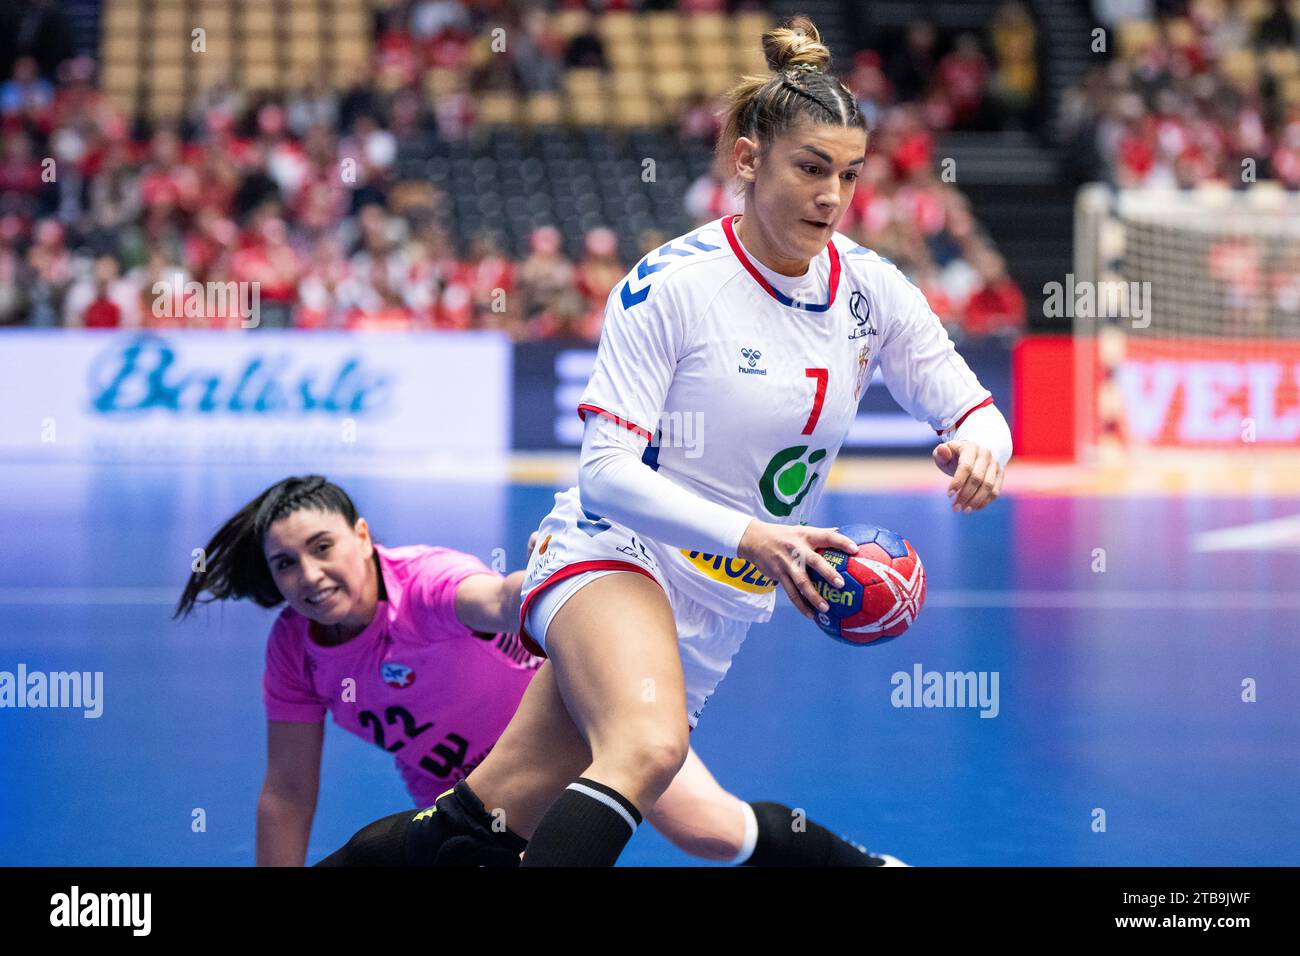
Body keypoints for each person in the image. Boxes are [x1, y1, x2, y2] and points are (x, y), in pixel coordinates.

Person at [324, 14, 1011, 867]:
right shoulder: (673, 286)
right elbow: (607, 475)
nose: (832, 197)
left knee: (488, 820)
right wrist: (753, 536)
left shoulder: (872, 292)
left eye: (848, 174)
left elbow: (971, 407)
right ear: (748, 160)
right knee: (645, 751)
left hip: (719, 605)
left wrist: (985, 445)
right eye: (809, 168)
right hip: (616, 552)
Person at [175, 475, 903, 866]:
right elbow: (288, 790)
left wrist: (557, 567)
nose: (309, 575)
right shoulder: (293, 649)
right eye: (286, 565)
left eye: (323, 547)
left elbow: (498, 596)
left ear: (363, 538)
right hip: (466, 795)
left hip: (582, 724)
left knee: (712, 832)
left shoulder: (424, 584)